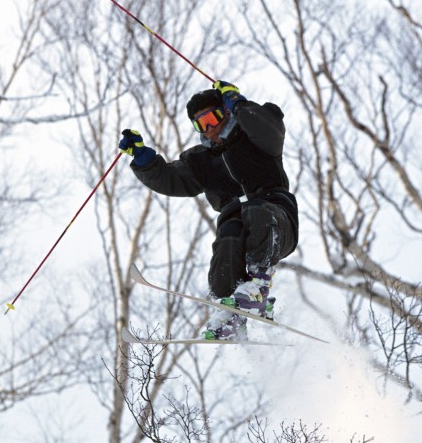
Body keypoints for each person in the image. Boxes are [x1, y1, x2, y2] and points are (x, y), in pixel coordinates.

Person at [118, 80, 298, 340]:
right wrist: (143, 159)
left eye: (213, 118)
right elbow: (171, 178)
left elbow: (268, 128)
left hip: (278, 223)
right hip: (241, 230)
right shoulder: (200, 159)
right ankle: (229, 309)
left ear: (224, 111)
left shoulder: (255, 135)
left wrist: (238, 104)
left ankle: (258, 285)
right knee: (228, 232)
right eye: (201, 125)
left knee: (254, 210)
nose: (210, 128)